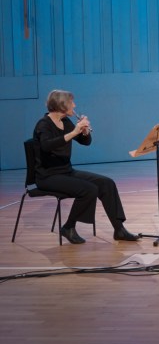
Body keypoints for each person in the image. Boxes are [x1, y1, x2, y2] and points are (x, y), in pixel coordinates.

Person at [33, 90, 139, 244]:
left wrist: (85, 131)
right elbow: (46, 146)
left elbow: (85, 142)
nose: (74, 105)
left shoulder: (66, 122)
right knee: (89, 189)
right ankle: (69, 227)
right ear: (62, 105)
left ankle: (119, 229)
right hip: (47, 176)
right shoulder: (44, 124)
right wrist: (74, 131)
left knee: (106, 183)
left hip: (66, 171)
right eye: (71, 102)